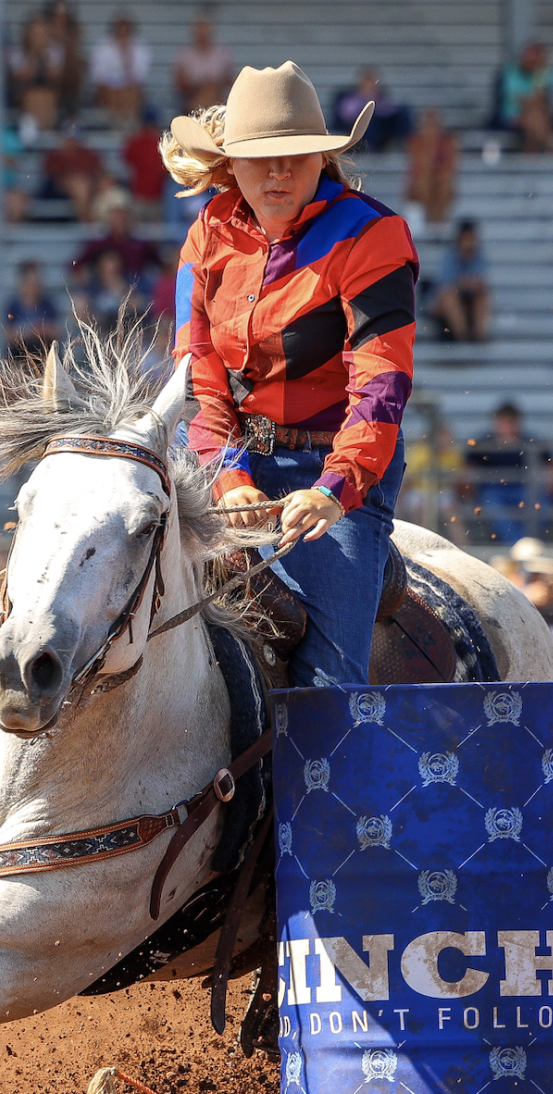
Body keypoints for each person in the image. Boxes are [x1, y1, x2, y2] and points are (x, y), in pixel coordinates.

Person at [166, 60, 418, 688]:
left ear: (322, 159)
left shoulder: (372, 233)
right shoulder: (207, 232)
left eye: (297, 156)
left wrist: (335, 488)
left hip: (334, 468)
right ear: (231, 164)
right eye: (261, 157)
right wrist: (229, 476)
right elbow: (199, 372)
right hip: (223, 460)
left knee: (330, 685)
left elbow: (381, 382)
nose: (279, 171)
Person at [465, 402, 537, 543]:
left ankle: (520, 545)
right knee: (491, 504)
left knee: (539, 502)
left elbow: (551, 468)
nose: (508, 427)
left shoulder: (530, 442)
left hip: (522, 489)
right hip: (493, 490)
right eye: (504, 422)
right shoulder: (483, 443)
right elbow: (467, 470)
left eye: (511, 422)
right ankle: (520, 544)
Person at [70, 186, 160, 285]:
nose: (120, 218)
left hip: (135, 288)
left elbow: (160, 265)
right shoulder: (99, 243)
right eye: (116, 214)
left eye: (123, 214)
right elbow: (76, 265)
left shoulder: (140, 244)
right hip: (103, 290)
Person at [431, 220, 492, 343]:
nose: (468, 243)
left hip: (467, 301)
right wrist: (463, 284)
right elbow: (444, 288)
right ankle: (462, 338)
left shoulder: (478, 257)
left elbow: (480, 284)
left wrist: (466, 284)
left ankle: (479, 336)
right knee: (450, 298)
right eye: (466, 239)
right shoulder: (449, 256)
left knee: (482, 298)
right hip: (444, 303)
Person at [90, 12, 150, 128]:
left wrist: (126, 56)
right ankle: (117, 122)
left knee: (130, 93)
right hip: (109, 91)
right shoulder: (102, 48)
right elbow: (99, 77)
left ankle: (127, 122)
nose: (123, 36)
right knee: (115, 94)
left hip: (129, 91)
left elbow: (138, 79)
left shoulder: (141, 49)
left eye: (126, 32)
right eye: (120, 32)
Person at [335, 67, 413, 155]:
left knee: (402, 111)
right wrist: (365, 101)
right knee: (369, 117)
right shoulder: (351, 99)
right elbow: (346, 115)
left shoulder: (381, 98)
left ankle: (404, 142)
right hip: (356, 130)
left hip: (380, 130)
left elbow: (388, 111)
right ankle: (370, 147)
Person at [9, 16, 68, 130]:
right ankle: (41, 130)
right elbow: (23, 77)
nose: (40, 37)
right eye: (36, 34)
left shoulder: (55, 50)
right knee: (34, 95)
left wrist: (44, 54)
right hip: (24, 94)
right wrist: (33, 54)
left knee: (45, 95)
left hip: (51, 93)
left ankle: (44, 129)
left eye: (42, 33)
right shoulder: (17, 51)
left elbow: (56, 77)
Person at [500, 43, 553, 154]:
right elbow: (516, 99)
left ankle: (530, 152)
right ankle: (550, 147)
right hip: (513, 115)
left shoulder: (543, 74)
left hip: (536, 116)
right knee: (535, 116)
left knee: (534, 117)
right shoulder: (511, 73)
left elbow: (543, 97)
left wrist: (538, 73)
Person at [405, 108, 459, 226]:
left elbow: (450, 167)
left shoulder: (447, 143)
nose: (431, 129)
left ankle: (439, 221)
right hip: (421, 183)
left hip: (439, 183)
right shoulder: (416, 143)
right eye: (428, 126)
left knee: (444, 185)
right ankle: (428, 219)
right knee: (423, 184)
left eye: (434, 125)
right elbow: (417, 169)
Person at [41, 124, 103, 222]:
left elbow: (99, 172)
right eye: (68, 139)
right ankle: (88, 224)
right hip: (58, 190)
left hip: (89, 186)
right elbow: (53, 176)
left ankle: (93, 223)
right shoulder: (54, 156)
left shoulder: (88, 155)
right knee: (80, 185)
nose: (71, 142)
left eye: (74, 139)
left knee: (90, 185)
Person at [173, 15, 234, 112]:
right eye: (200, 32)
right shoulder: (185, 56)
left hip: (217, 95)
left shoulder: (221, 55)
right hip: (193, 97)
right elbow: (180, 84)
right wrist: (200, 85)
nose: (203, 35)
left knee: (210, 90)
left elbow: (229, 81)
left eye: (205, 32)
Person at [3, 260, 61, 360]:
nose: (34, 285)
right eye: (31, 281)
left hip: (44, 355)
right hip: (20, 356)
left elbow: (56, 332)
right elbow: (8, 335)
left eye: (37, 280)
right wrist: (30, 332)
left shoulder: (48, 304)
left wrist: (41, 330)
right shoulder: (13, 306)